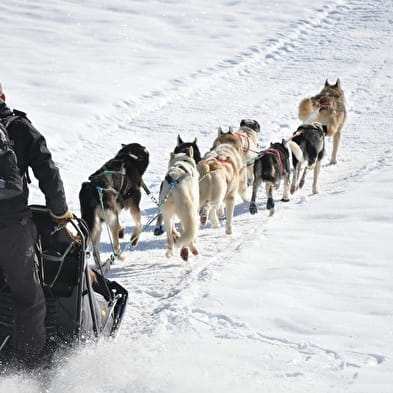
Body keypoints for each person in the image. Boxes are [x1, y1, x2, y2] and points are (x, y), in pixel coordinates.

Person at [0, 82, 73, 367]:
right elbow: (49, 173)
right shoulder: (19, 127)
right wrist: (60, 212)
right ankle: (28, 369)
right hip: (12, 226)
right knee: (28, 297)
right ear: (3, 97)